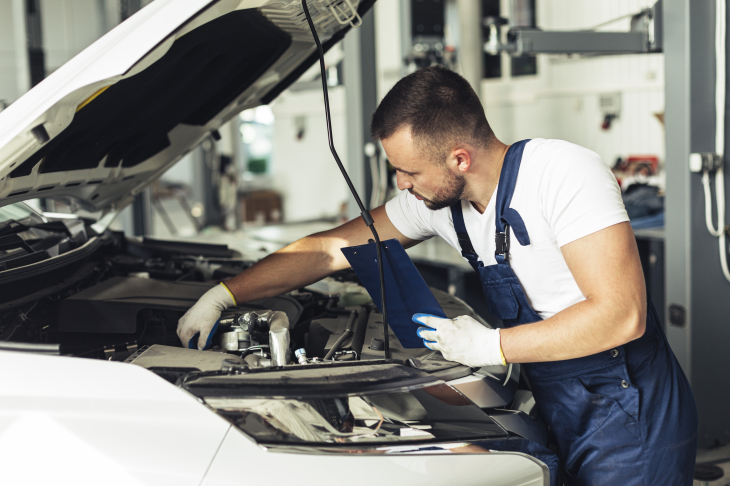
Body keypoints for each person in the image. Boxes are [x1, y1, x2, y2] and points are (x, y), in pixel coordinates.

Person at [177, 65, 697, 484]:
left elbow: (620, 316)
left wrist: (492, 346)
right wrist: (224, 294)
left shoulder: (563, 174)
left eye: (409, 172)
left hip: (631, 406)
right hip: (557, 397)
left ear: (459, 158)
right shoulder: (437, 204)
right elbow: (329, 250)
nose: (401, 186)